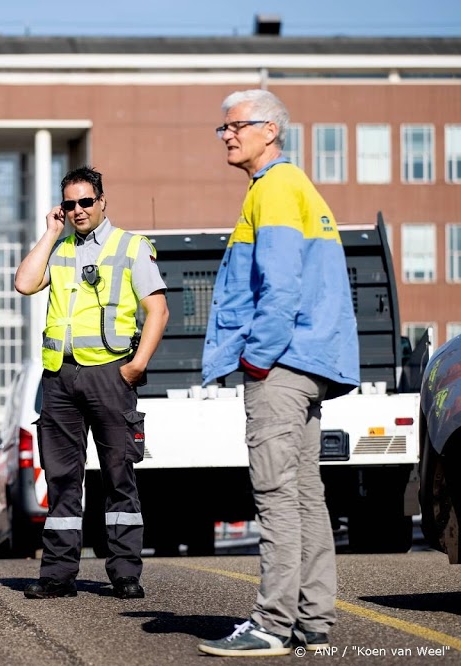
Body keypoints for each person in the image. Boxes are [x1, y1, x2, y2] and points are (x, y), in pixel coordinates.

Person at [198, 90, 359, 657]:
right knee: (306, 496)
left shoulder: (274, 189)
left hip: (283, 365)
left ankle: (271, 624)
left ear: (270, 130)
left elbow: (281, 286)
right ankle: (314, 620)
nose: (227, 135)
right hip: (310, 361)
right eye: (223, 129)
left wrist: (257, 357)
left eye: (235, 126)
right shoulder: (296, 188)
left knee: (276, 494)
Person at [14, 165, 169, 600]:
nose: (78, 210)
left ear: (102, 201)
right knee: (62, 479)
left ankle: (124, 573)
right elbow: (24, 283)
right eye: (70, 203)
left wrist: (136, 366)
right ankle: (57, 576)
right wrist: (49, 232)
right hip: (60, 379)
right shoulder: (59, 250)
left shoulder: (130, 247)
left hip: (110, 374)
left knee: (119, 476)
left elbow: (157, 310)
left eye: (86, 201)